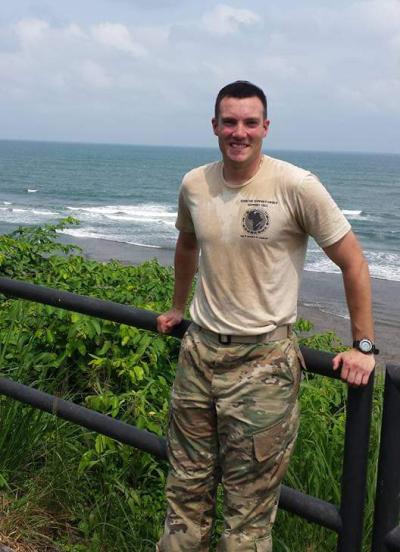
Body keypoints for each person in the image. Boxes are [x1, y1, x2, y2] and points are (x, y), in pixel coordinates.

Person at [156, 81, 376, 551]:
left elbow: (353, 261)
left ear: (266, 127)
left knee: (248, 516)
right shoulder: (195, 183)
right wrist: (178, 307)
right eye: (230, 122)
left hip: (263, 367)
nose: (240, 132)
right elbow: (188, 243)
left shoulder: (297, 185)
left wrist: (363, 346)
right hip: (199, 355)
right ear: (215, 126)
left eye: (250, 123)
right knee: (184, 496)